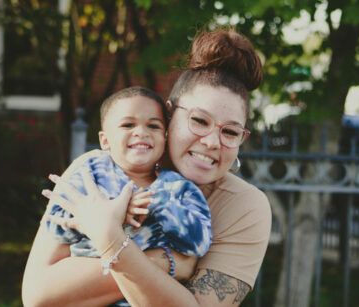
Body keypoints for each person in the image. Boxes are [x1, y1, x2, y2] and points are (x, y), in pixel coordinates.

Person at [22, 27, 272, 306]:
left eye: (230, 132)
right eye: (199, 121)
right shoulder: (95, 171)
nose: (213, 141)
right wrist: (170, 262)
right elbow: (39, 294)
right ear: (169, 114)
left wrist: (110, 238)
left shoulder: (245, 206)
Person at [43, 86, 212, 306]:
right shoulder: (90, 172)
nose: (141, 132)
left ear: (165, 137)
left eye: (153, 125)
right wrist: (111, 214)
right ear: (105, 140)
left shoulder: (178, 188)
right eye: (128, 125)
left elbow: (199, 243)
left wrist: (156, 204)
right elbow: (56, 227)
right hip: (87, 292)